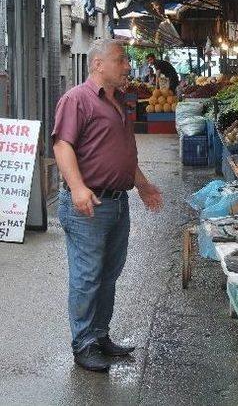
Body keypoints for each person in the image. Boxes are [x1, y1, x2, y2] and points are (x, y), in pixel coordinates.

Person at [53, 39, 163, 372]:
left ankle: (100, 335)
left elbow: (123, 153)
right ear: (98, 64)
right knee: (87, 276)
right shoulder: (77, 99)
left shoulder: (121, 103)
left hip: (117, 202)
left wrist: (142, 186)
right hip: (89, 203)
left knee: (108, 275)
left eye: (127, 60)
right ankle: (83, 343)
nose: (128, 66)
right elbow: (62, 146)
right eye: (121, 60)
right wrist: (77, 188)